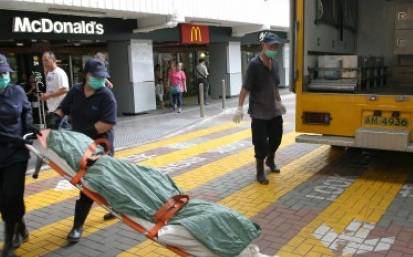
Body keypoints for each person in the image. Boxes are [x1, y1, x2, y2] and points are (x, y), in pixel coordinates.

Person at [47, 58, 117, 243]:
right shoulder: (76, 91)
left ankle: (77, 226)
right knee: (101, 181)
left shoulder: (106, 95)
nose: (101, 80)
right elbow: (64, 108)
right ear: (87, 75)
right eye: (97, 77)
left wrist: (86, 132)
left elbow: (107, 123)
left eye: (103, 77)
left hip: (101, 143)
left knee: (88, 184)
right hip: (78, 144)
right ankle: (114, 206)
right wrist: (55, 117)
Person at [233, 32, 286, 185]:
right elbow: (245, 88)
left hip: (274, 111)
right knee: (260, 143)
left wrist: (279, 102)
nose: (274, 48)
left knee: (277, 138)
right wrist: (239, 108)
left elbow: (275, 86)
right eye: (271, 45)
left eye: (276, 46)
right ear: (263, 45)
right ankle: (260, 171)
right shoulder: (254, 65)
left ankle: (270, 160)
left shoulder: (274, 64)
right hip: (259, 113)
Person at [0, 54, 32, 257]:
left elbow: (26, 114)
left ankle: (9, 240)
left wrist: (28, 133)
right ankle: (20, 225)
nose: (3, 77)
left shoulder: (17, 91)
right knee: (3, 198)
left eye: (4, 73)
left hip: (16, 156)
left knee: (12, 194)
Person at [41, 51, 69, 128]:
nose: (44, 63)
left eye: (46, 60)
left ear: (53, 60)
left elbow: (65, 89)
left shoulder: (60, 73)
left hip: (59, 111)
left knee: (61, 135)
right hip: (52, 110)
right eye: (43, 60)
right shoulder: (49, 73)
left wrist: (49, 95)